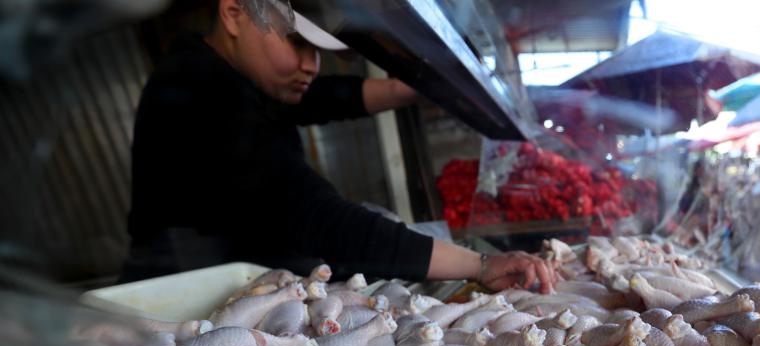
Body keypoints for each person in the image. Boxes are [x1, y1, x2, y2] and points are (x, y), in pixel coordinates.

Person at [121, 0, 557, 293]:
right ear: (235, 14)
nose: (311, 66)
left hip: (235, 274)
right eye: (298, 45)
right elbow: (313, 215)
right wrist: (478, 266)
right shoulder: (201, 89)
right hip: (188, 291)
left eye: (320, 52)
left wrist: (428, 85)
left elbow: (328, 95)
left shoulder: (238, 76)